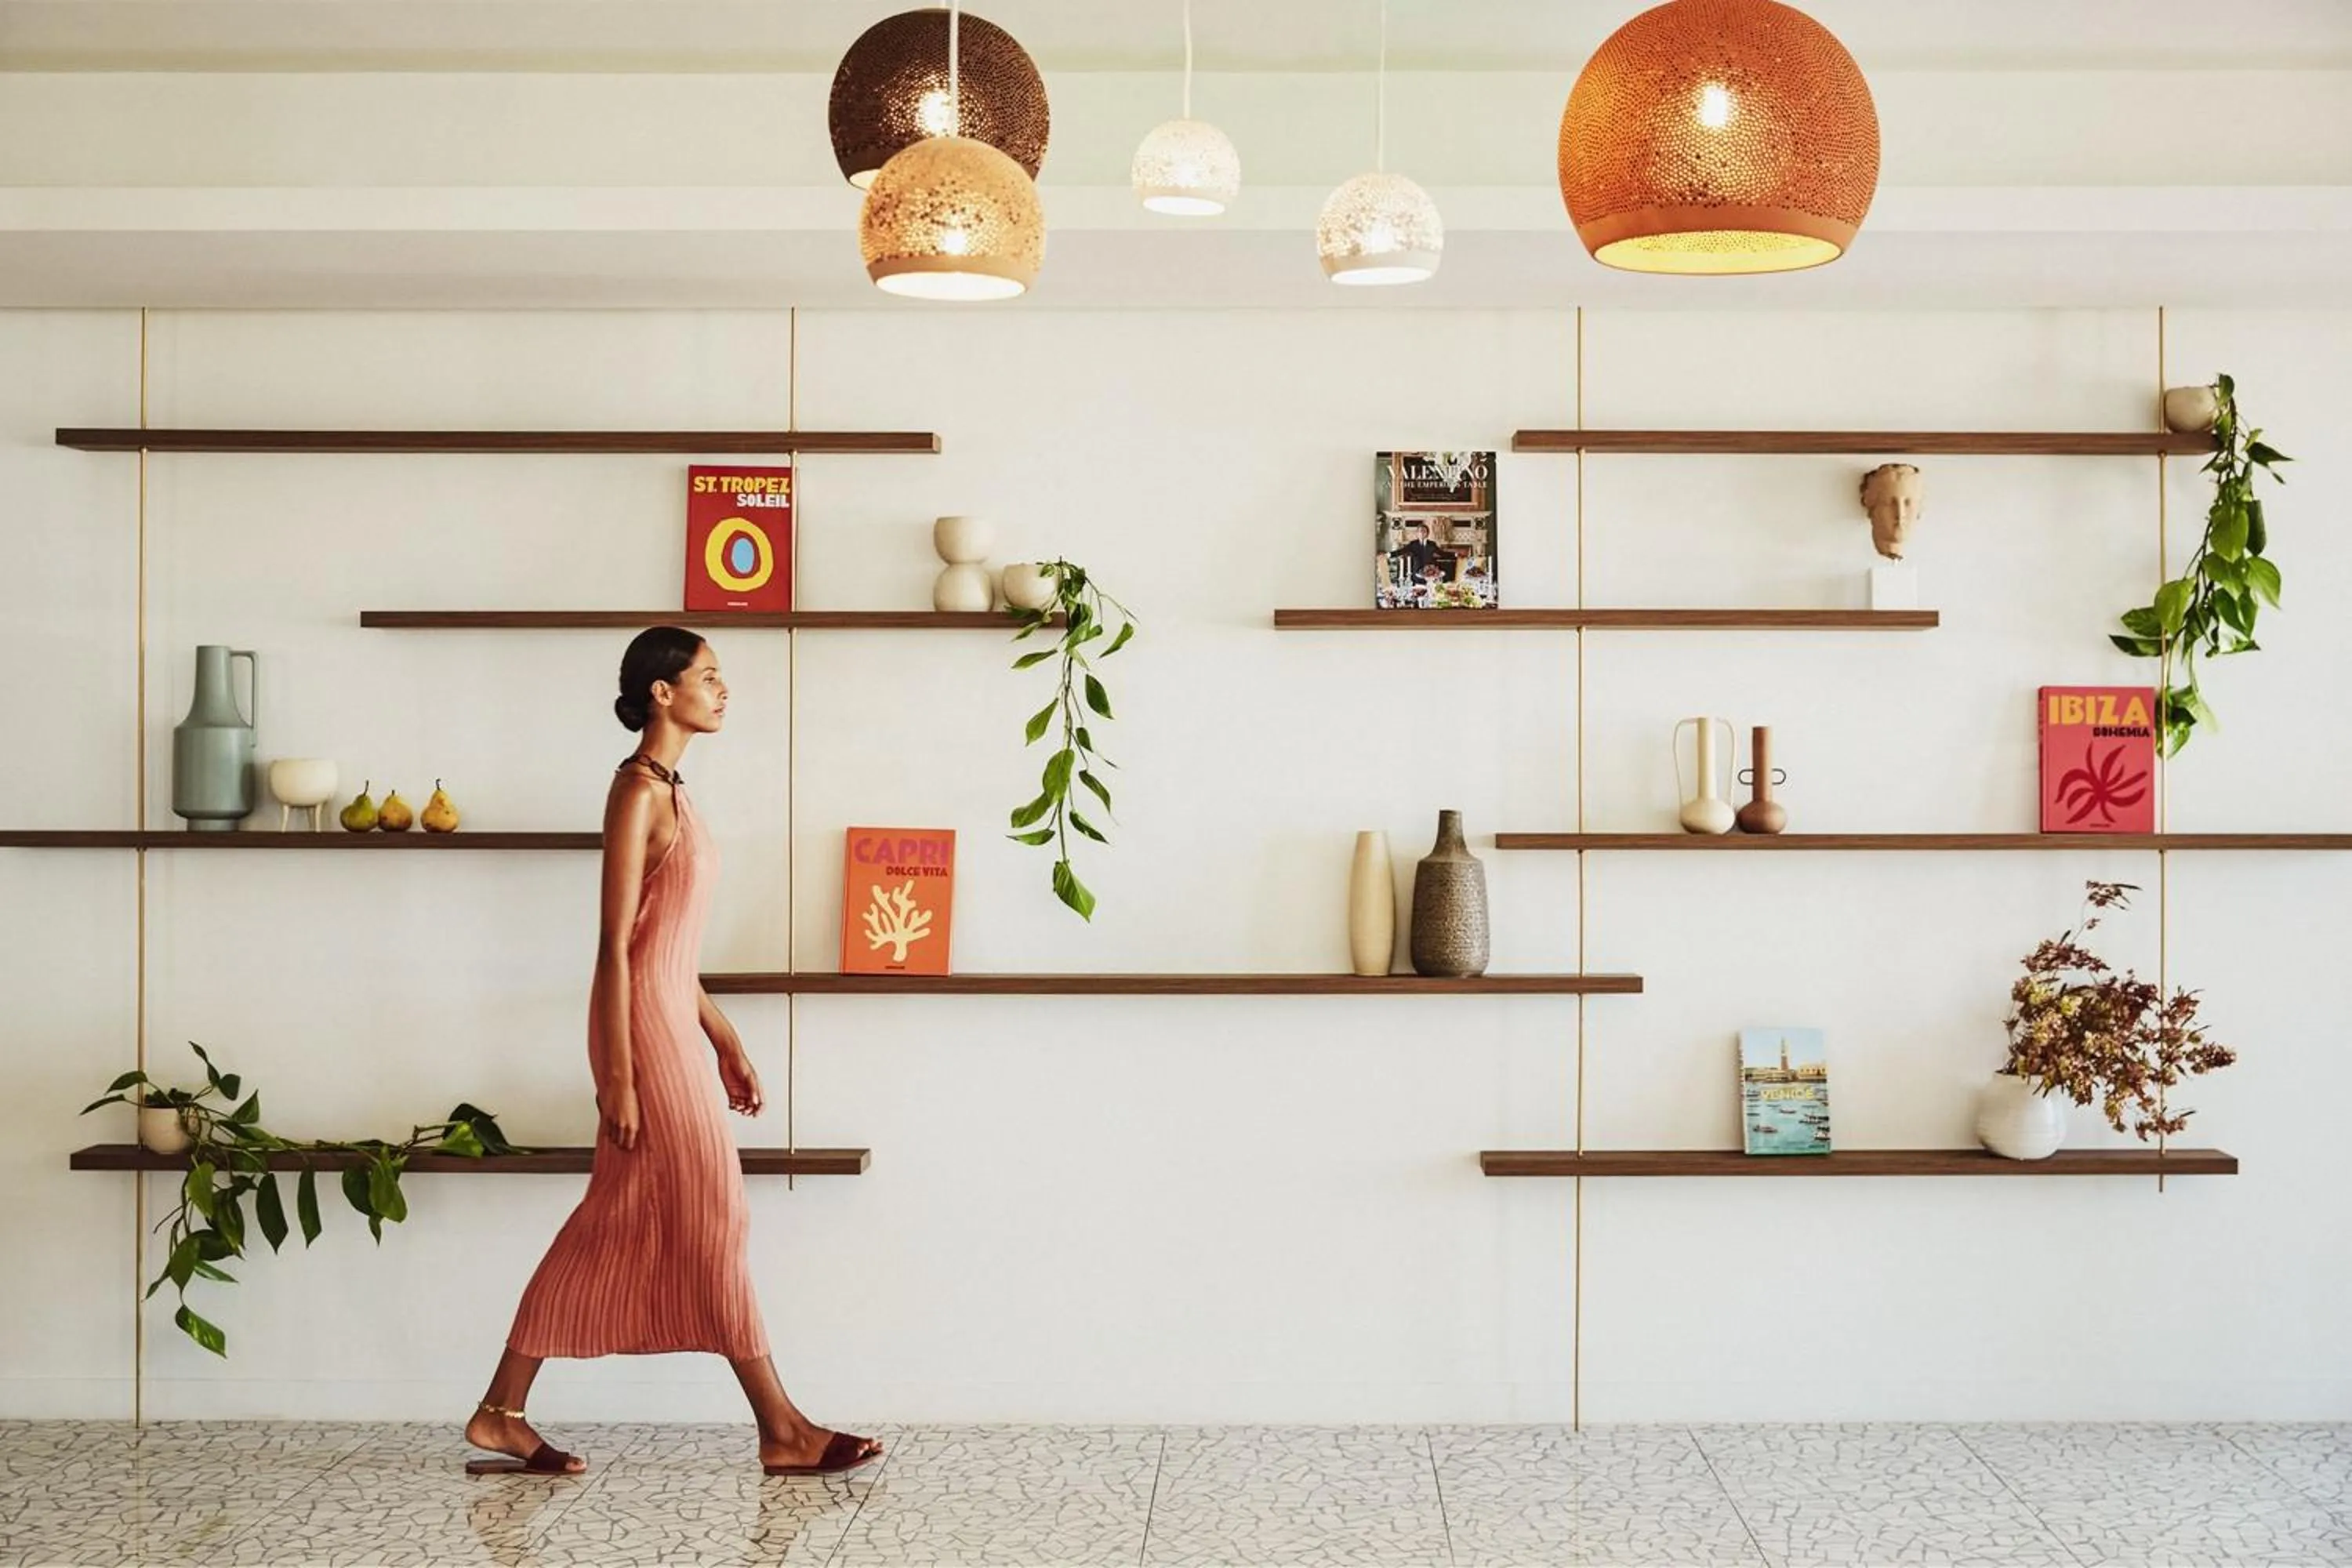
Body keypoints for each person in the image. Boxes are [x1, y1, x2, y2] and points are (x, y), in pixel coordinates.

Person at [463, 626, 883, 1479]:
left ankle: (500, 1409)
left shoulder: (674, 791)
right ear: (663, 692)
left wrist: (723, 1036)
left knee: (612, 1218)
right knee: (715, 1217)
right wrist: (615, 1074)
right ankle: (783, 1428)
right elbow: (614, 944)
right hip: (642, 1040)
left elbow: (668, 950)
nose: (724, 690)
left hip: (669, 1026)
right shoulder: (635, 793)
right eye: (709, 676)